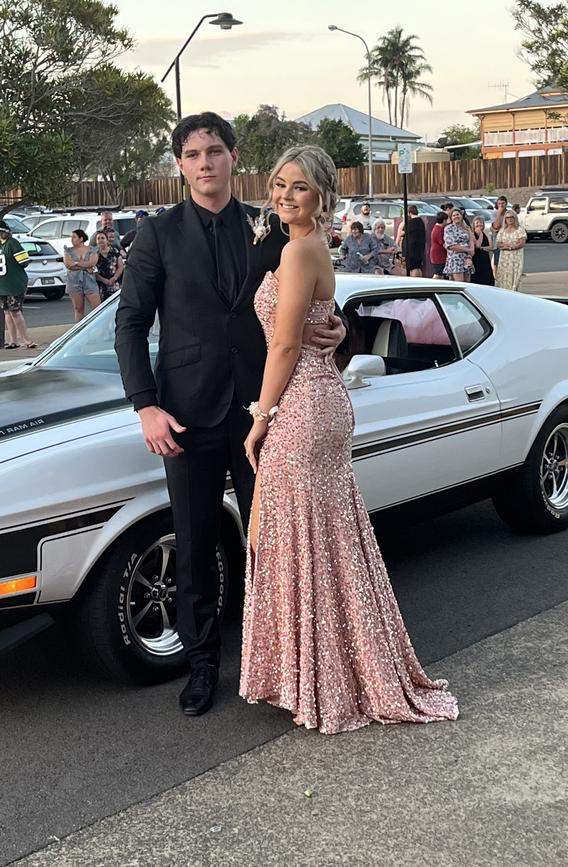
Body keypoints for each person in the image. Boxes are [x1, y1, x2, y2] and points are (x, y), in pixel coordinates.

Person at [114, 112, 345, 718]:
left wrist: (336, 325)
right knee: (192, 544)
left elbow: (307, 301)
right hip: (185, 415)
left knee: (269, 542)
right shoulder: (157, 234)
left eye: (214, 151)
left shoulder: (271, 228)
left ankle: (273, 661)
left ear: (233, 157)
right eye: (192, 154)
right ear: (180, 165)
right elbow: (130, 325)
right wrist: (146, 407)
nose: (205, 163)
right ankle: (201, 666)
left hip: (265, 412)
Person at [239, 145, 458, 734]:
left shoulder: (298, 249)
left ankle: (325, 679)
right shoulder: (311, 247)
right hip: (321, 399)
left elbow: (284, 346)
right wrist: (327, 332)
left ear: (322, 196)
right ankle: (332, 670)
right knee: (324, 538)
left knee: (298, 537)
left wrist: (260, 417)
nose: (286, 195)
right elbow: (317, 327)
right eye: (280, 184)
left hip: (304, 406)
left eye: (300, 188)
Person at [0, 221, 37, 349]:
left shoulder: (12, 243)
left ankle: (26, 340)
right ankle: (13, 340)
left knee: (15, 311)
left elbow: (24, 261)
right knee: (7, 313)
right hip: (2, 285)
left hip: (14, 284)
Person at [63, 229, 100, 322]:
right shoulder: (68, 250)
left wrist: (76, 263)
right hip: (74, 281)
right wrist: (85, 265)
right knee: (78, 309)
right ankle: (79, 330)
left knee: (97, 308)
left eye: (74, 237)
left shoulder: (92, 249)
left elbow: (92, 262)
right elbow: (68, 264)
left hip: (89, 280)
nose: (72, 239)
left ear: (81, 238)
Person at [495, 210, 527, 291]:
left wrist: (510, 247)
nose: (509, 219)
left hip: (516, 258)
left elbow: (521, 243)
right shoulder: (502, 230)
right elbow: (498, 244)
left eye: (511, 217)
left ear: (515, 218)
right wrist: (508, 246)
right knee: (504, 277)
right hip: (504, 259)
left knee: (515, 277)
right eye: (507, 217)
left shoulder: (520, 230)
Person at [443, 208, 474, 282]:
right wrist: (467, 249)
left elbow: (471, 241)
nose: (456, 216)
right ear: (451, 218)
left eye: (457, 214)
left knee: (468, 285)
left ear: (461, 216)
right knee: (460, 284)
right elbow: (451, 246)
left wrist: (469, 256)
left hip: (467, 259)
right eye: (453, 215)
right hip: (455, 260)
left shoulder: (466, 228)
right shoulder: (448, 229)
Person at [396, 204, 426, 277]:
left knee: (412, 268)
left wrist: (403, 222)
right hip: (419, 248)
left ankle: (414, 282)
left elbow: (400, 234)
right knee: (418, 267)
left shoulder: (410, 223)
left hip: (411, 249)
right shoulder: (420, 221)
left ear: (409, 213)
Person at [94, 230, 124, 302]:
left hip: (114, 282)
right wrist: (105, 281)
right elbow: (92, 269)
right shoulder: (93, 253)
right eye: (98, 238)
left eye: (102, 238)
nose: (100, 240)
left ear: (107, 240)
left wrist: (114, 278)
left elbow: (120, 266)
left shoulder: (115, 251)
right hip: (100, 285)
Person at [471, 216, 495, 286]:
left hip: (484, 258)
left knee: (487, 277)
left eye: (481, 223)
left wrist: (482, 248)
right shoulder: (472, 234)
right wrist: (480, 234)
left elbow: (491, 247)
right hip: (476, 258)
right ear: (474, 224)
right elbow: (476, 245)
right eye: (477, 223)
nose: (479, 224)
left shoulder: (487, 234)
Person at [490, 195, 508, 269]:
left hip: (507, 240)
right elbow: (496, 226)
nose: (501, 205)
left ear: (506, 203)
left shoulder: (509, 213)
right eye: (499, 204)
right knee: (497, 264)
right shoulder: (494, 214)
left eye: (503, 203)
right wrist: (499, 213)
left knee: (507, 263)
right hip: (497, 242)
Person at [429, 211, 449, 277]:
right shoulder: (439, 230)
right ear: (444, 220)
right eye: (446, 220)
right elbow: (443, 243)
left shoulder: (436, 228)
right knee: (438, 273)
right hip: (438, 256)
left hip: (437, 255)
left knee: (440, 273)